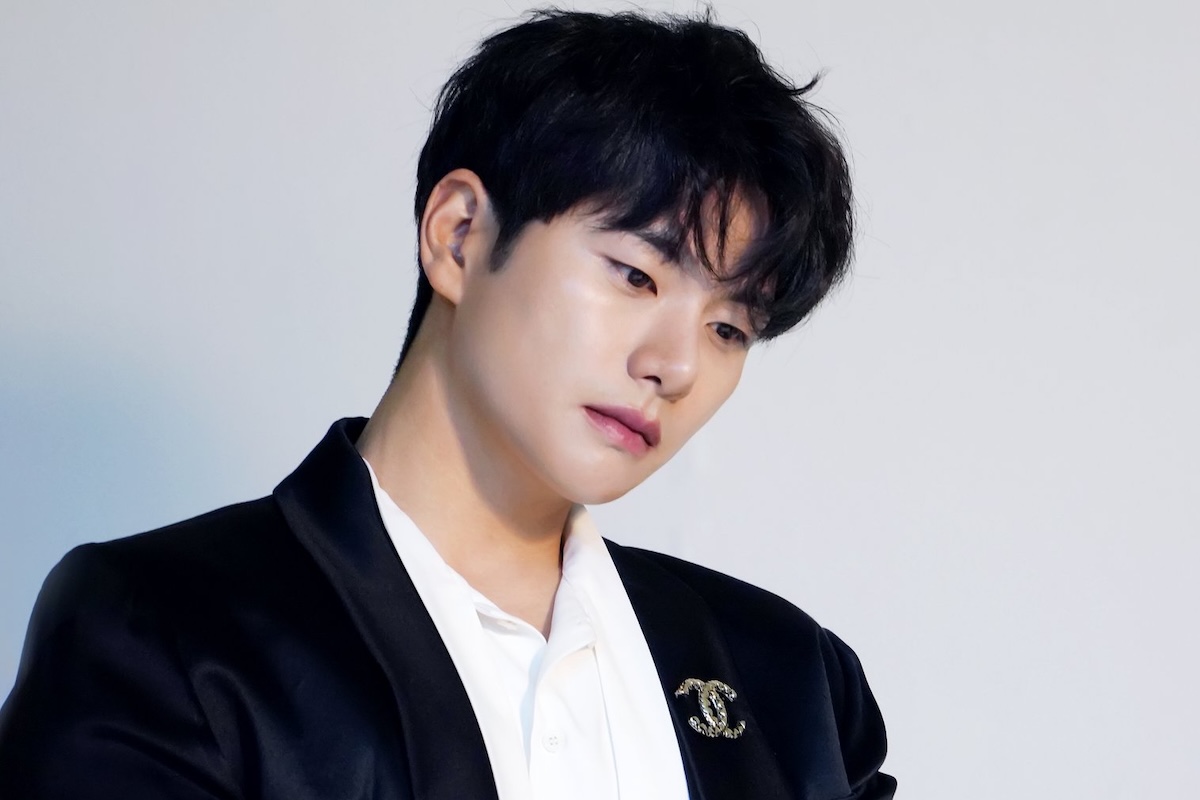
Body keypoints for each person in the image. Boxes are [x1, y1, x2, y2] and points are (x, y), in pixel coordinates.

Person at [0, 8, 895, 799]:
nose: (677, 365)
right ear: (460, 235)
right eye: (635, 275)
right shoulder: (164, 635)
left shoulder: (794, 685)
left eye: (729, 328)